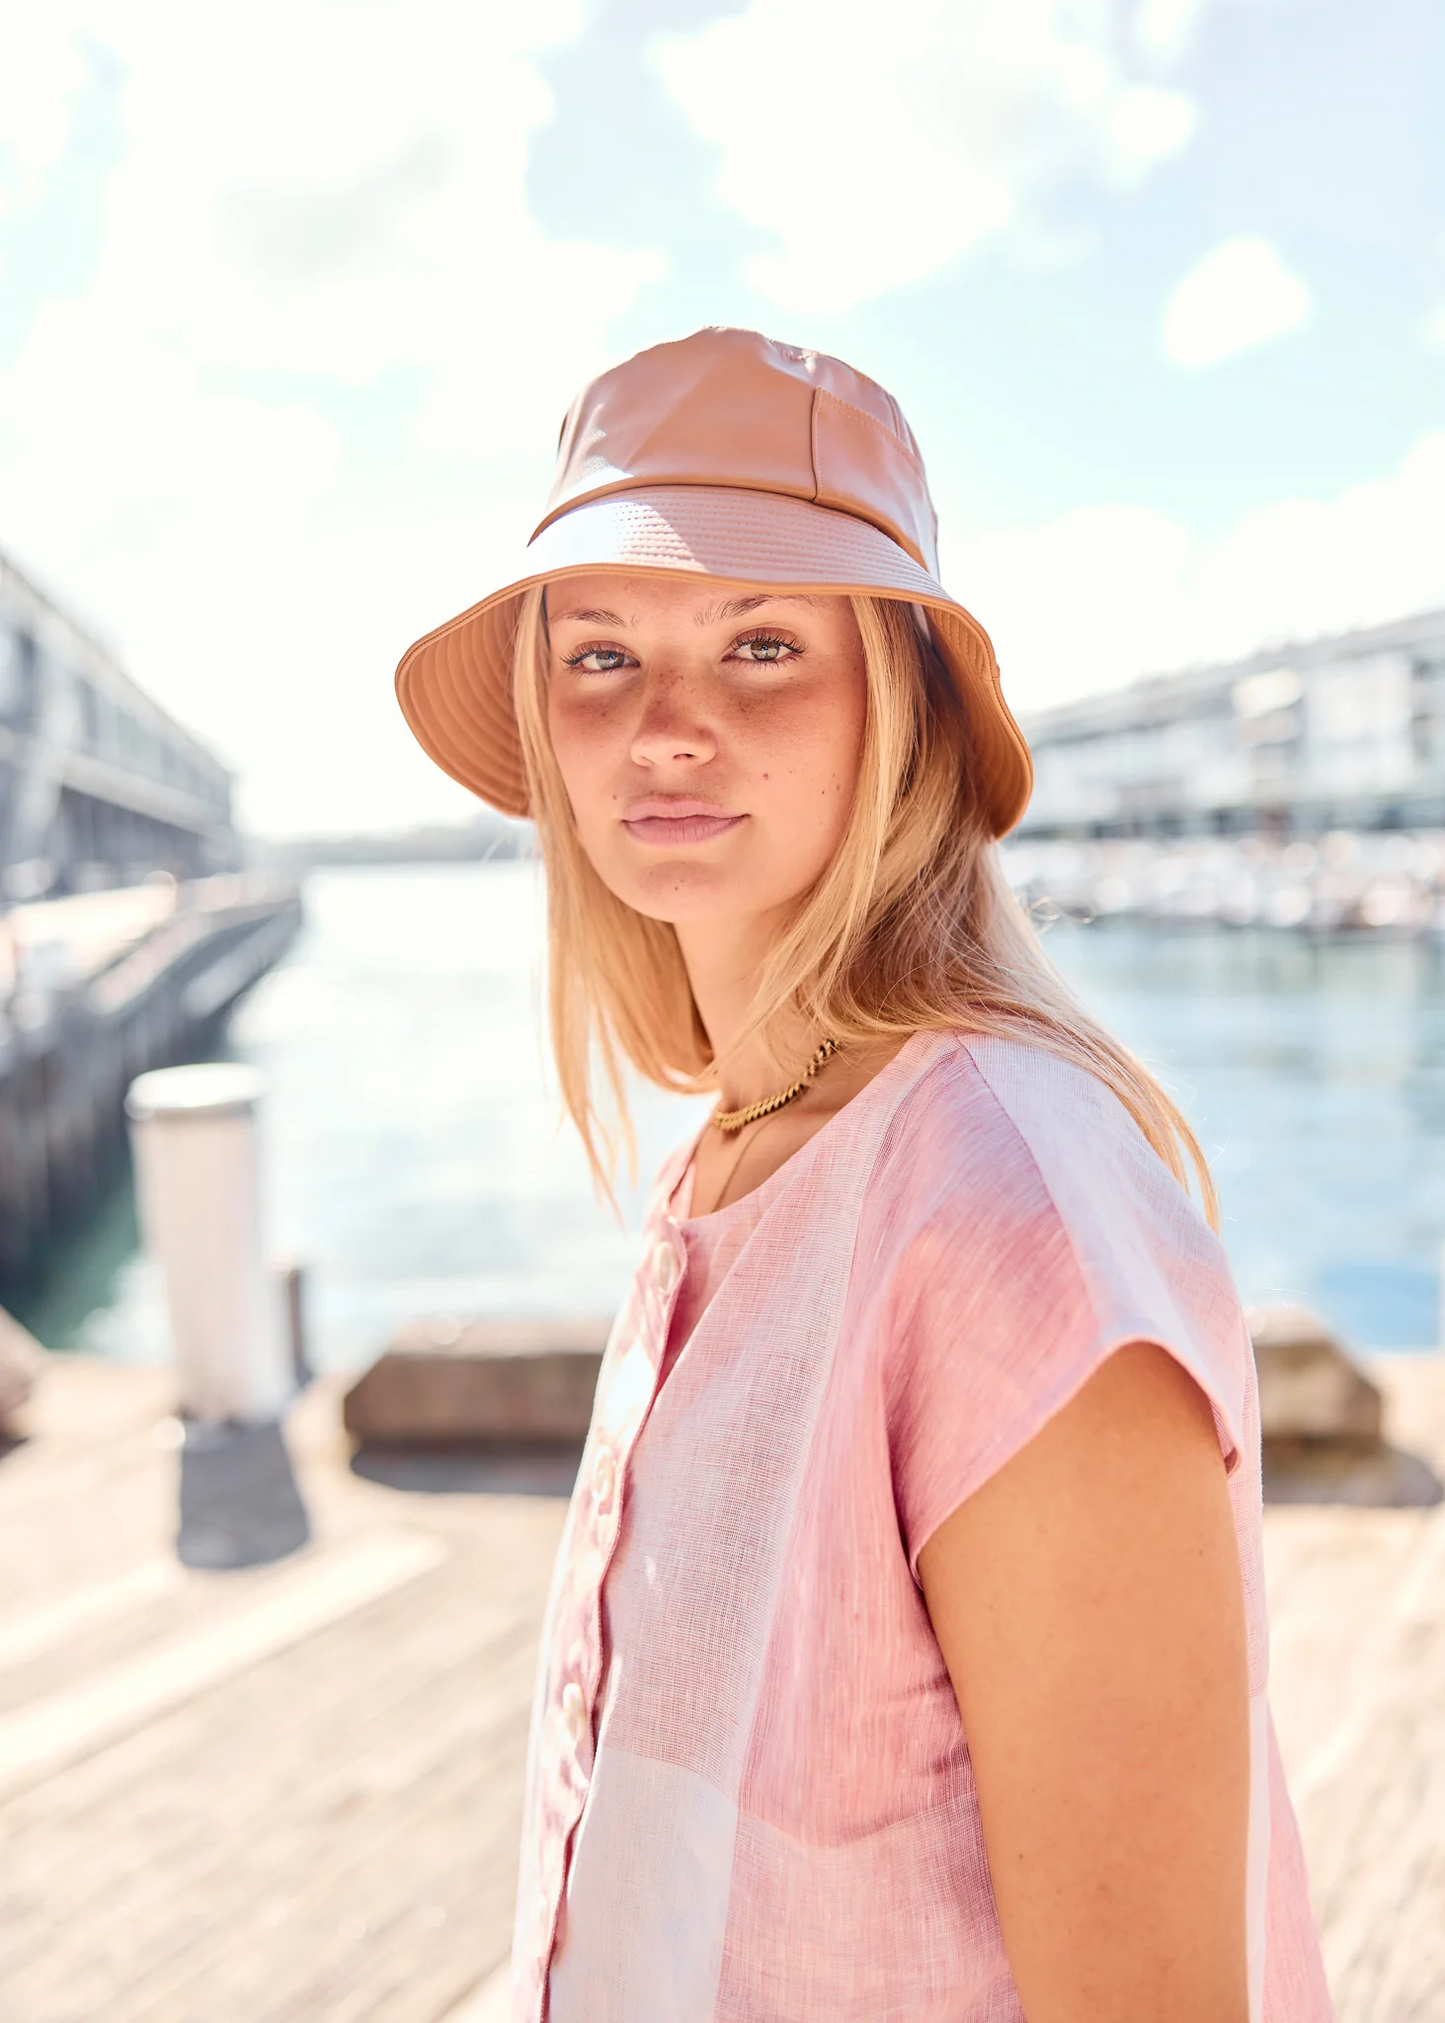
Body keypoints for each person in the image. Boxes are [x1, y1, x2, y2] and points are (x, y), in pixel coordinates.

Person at [395, 328, 1332, 2023]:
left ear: (899, 712)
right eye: (598, 655)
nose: (667, 725)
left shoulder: (1007, 1228)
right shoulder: (737, 1155)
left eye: (762, 642)